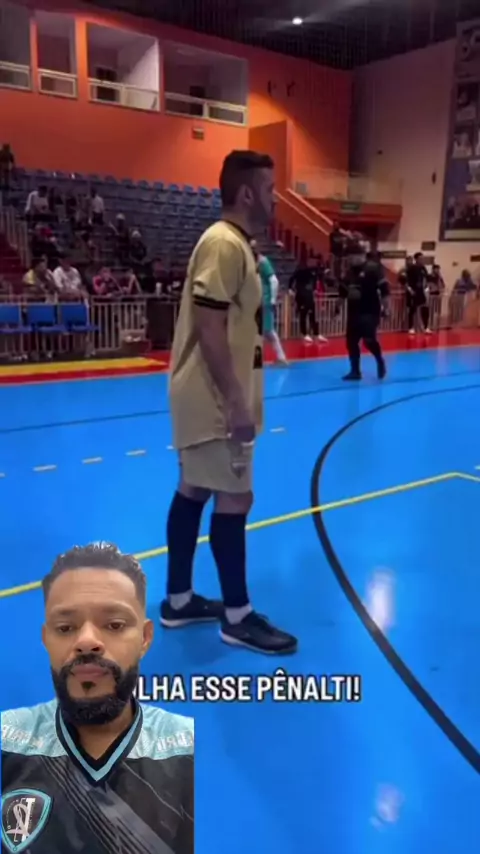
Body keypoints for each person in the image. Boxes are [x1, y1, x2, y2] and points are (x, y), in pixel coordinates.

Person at [164, 149, 297, 655]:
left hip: (207, 396)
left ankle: (179, 601)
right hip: (215, 399)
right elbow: (209, 327)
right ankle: (237, 617)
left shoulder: (235, 244)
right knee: (236, 498)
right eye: (269, 189)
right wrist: (237, 403)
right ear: (246, 193)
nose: (275, 198)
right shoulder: (223, 243)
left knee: (195, 488)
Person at [1, 542, 194, 854]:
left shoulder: (190, 751)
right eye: (65, 627)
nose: (87, 641)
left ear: (145, 638)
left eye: (114, 625)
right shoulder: (7, 742)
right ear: (46, 639)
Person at [339, 252, 388, 381]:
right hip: (353, 312)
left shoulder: (373, 269)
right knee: (351, 341)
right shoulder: (349, 273)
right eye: (349, 256)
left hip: (370, 311)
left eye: (354, 256)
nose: (351, 258)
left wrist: (386, 308)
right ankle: (355, 371)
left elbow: (384, 290)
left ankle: (379, 360)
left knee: (368, 339)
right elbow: (342, 292)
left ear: (361, 256)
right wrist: (337, 307)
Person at [251, 239, 288, 365]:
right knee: (262, 331)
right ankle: (279, 357)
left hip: (264, 302)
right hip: (255, 302)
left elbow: (274, 281)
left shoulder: (263, 262)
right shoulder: (251, 263)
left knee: (266, 331)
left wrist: (272, 299)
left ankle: (278, 358)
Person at [289, 257, 328, 343]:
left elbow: (315, 280)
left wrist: (314, 289)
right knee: (303, 314)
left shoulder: (314, 271)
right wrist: (290, 289)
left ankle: (316, 333)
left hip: (309, 296)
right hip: (301, 295)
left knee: (312, 314)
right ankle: (304, 334)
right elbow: (291, 279)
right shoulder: (300, 271)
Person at [405, 252, 431, 334]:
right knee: (412, 309)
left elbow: (426, 279)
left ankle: (426, 327)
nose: (422, 260)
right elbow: (407, 281)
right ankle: (411, 327)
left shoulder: (423, 268)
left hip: (422, 292)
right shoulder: (411, 268)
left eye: (423, 258)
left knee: (425, 308)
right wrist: (410, 290)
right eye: (420, 259)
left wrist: (426, 288)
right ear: (416, 259)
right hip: (413, 291)